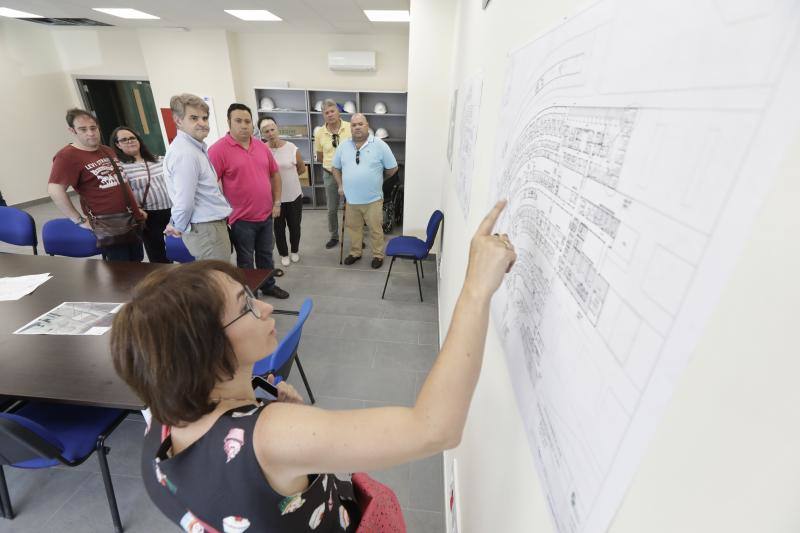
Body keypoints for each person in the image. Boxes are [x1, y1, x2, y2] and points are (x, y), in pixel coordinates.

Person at [110, 201, 516, 532]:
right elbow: (434, 429)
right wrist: (477, 288)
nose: (266, 306)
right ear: (205, 349)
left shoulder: (159, 414)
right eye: (246, 306)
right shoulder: (270, 437)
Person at [209, 104, 289, 299]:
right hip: (241, 220)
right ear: (229, 122)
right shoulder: (218, 150)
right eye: (238, 121)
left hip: (266, 214)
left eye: (247, 121)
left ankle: (268, 285)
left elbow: (275, 174)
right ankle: (249, 294)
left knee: (266, 255)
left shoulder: (261, 146)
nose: (244, 125)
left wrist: (277, 202)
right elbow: (210, 185)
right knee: (245, 261)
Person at [48, 108, 146, 262]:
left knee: (137, 263)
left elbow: (121, 183)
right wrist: (78, 220)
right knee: (122, 272)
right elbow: (55, 189)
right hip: (108, 225)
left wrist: (136, 209)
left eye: (93, 128)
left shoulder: (106, 150)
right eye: (83, 129)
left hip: (131, 221)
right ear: (72, 130)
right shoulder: (67, 156)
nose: (90, 133)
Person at [163, 93, 233, 262]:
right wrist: (177, 225)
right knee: (217, 279)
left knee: (218, 275)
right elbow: (184, 202)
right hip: (206, 228)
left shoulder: (194, 148)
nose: (202, 123)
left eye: (204, 118)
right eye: (194, 118)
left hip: (210, 226)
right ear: (178, 120)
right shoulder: (185, 153)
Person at [332, 113, 398, 269]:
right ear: (351, 128)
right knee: (354, 229)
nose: (357, 127)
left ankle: (378, 255)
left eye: (360, 124)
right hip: (351, 199)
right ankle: (355, 252)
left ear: (367, 125)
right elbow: (335, 168)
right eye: (354, 125)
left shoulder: (379, 145)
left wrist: (376, 179)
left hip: (373, 199)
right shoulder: (343, 146)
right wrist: (340, 185)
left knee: (376, 229)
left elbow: (392, 169)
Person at [111, 126, 172, 263]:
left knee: (179, 248)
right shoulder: (121, 167)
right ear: (117, 144)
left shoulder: (159, 159)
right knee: (158, 254)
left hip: (172, 211)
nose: (130, 141)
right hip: (149, 216)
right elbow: (122, 195)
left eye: (132, 138)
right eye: (124, 140)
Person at [259, 116, 305, 267]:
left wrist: (288, 179)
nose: (270, 133)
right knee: (278, 229)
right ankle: (284, 253)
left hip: (293, 196)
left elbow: (301, 168)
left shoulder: (292, 148)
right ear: (262, 134)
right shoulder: (260, 150)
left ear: (277, 129)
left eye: (272, 129)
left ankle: (295, 251)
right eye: (266, 131)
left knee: (295, 226)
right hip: (274, 199)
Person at [313, 99, 351, 249]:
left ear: (338, 111)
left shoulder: (349, 127)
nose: (330, 115)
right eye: (326, 112)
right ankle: (334, 236)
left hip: (349, 174)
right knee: (332, 208)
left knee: (353, 208)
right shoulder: (320, 133)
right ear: (323, 115)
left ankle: (356, 236)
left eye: (332, 111)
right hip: (329, 174)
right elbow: (320, 156)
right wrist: (332, 165)